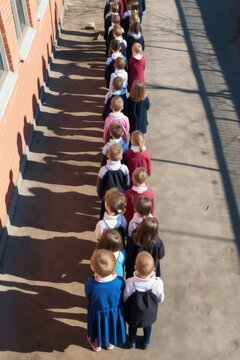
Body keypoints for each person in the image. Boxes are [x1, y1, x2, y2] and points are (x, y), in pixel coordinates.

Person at [85, 249, 126, 351]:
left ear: (93, 267)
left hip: (97, 312)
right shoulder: (120, 281)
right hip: (115, 312)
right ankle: (110, 343)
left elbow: (88, 296)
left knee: (98, 327)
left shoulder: (91, 284)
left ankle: (97, 344)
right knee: (112, 326)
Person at [123, 252, 164, 349]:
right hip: (149, 314)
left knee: (132, 327)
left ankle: (132, 342)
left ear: (135, 268)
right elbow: (160, 299)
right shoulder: (157, 283)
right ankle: (146, 342)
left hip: (133, 313)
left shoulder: (130, 282)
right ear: (154, 269)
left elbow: (125, 298)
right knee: (148, 326)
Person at [97, 143, 130, 218]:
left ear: (107, 155)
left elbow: (99, 187)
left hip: (107, 199)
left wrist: (102, 197)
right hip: (120, 199)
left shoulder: (103, 170)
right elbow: (127, 184)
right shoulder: (124, 169)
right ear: (121, 157)